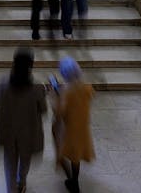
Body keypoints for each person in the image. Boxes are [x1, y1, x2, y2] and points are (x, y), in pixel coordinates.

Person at [0, 50, 46, 193]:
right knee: (25, 160)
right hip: (28, 132)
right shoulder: (37, 88)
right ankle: (21, 182)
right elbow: (43, 109)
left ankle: (11, 189)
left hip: (8, 131)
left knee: (10, 162)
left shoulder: (2, 84)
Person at [51, 57, 95, 193]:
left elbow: (59, 113)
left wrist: (53, 95)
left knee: (62, 154)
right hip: (82, 127)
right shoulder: (88, 88)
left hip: (69, 129)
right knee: (76, 156)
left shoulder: (66, 93)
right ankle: (74, 179)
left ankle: (72, 182)